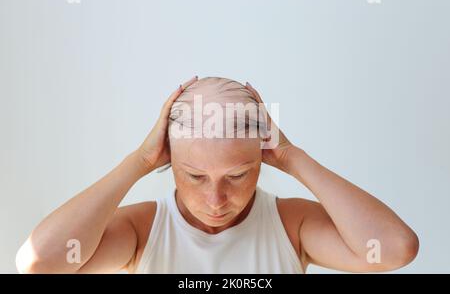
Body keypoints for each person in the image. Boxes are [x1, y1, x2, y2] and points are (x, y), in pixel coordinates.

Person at [16, 76, 419, 274]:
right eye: (194, 176)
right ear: (168, 162)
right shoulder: (144, 229)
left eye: (238, 175)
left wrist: (293, 157)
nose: (216, 200)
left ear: (262, 159)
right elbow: (39, 262)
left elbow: (395, 248)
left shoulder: (289, 225)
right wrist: (137, 162)